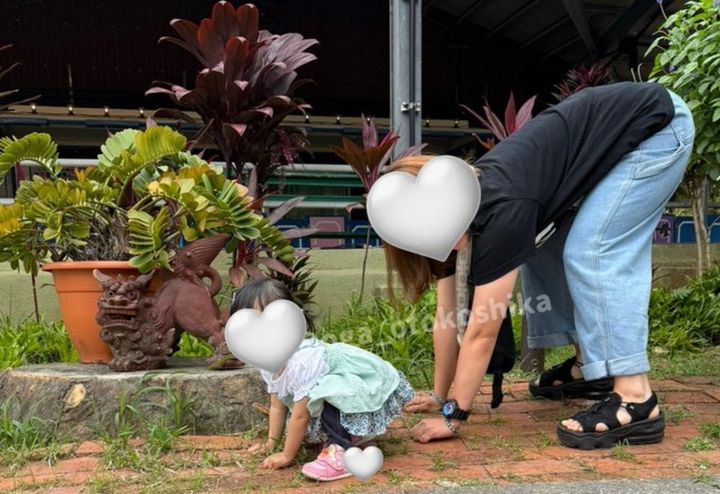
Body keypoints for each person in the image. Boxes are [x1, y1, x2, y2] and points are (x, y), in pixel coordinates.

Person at [383, 82, 694, 449]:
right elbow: (446, 316)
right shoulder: (455, 213)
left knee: (592, 250)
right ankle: (590, 368)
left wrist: (453, 416)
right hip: (620, 131)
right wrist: (440, 395)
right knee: (544, 251)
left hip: (655, 127)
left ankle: (636, 399)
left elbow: (482, 330)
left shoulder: (501, 212)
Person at [231, 279, 414, 481]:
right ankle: (355, 437)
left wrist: (286, 455)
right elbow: (277, 406)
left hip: (360, 391)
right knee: (318, 396)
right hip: (346, 409)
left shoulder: (301, 361)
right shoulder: (269, 361)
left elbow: (301, 416)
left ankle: (341, 450)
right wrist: (271, 443)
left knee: (326, 391)